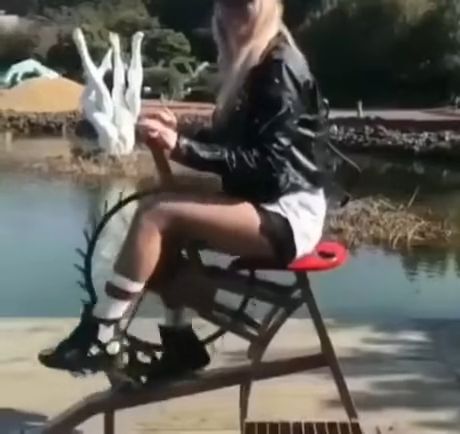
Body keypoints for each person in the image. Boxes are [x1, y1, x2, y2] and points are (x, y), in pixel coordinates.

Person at [38, 0, 329, 382]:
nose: (233, 14)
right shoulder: (258, 65)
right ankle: (180, 344)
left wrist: (182, 148)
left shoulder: (279, 67)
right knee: (159, 233)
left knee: (157, 214)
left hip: (289, 214)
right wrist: (181, 132)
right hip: (270, 200)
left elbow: (268, 165)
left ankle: (102, 334)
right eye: (227, 5)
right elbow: (234, 142)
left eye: (245, 5)